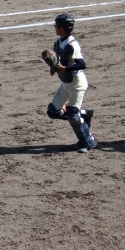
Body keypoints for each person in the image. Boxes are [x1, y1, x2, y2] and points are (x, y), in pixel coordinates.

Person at [45, 13, 97, 153]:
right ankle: (84, 115)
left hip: (77, 84)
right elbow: (59, 59)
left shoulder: (72, 44)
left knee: (73, 116)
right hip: (65, 84)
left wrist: (64, 68)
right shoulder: (58, 41)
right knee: (53, 112)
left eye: (56, 26)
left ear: (61, 28)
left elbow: (82, 64)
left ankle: (87, 142)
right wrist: (54, 67)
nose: (55, 28)